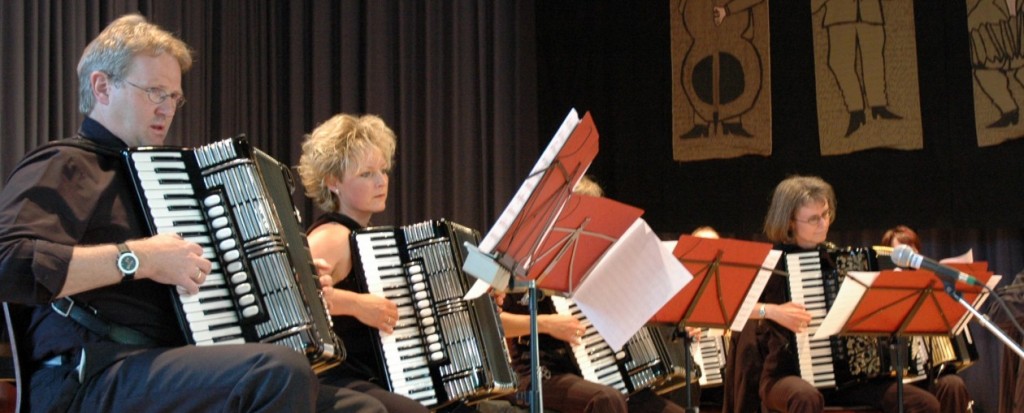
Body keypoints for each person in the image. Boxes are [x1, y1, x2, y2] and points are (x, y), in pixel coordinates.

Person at [0, 14, 386, 413]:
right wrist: (139, 258)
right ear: (102, 87)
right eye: (155, 93)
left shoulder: (172, 180)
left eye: (174, 97)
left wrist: (295, 287)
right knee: (276, 372)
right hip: (90, 375)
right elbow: (7, 263)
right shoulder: (65, 164)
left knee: (360, 409)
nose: (167, 109)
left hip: (168, 366)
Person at [724, 175, 939, 413]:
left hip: (846, 379)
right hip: (783, 376)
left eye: (825, 214)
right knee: (806, 398)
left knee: (924, 404)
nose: (823, 224)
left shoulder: (839, 259)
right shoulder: (772, 263)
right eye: (813, 218)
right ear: (790, 222)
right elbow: (728, 307)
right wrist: (772, 311)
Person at [496, 176, 687, 413]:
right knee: (606, 400)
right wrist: (545, 323)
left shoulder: (600, 264)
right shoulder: (523, 257)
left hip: (597, 370)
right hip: (540, 374)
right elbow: (492, 323)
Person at [298, 113, 430, 413]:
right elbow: (293, 297)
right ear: (333, 182)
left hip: (371, 377)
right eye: (367, 174)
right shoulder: (332, 236)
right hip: (335, 378)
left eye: (383, 170)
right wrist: (356, 304)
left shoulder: (364, 237)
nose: (381, 181)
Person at [881, 225, 973, 413]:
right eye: (901, 253)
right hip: (898, 378)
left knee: (953, 384)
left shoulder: (934, 284)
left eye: (912, 251)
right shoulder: (882, 289)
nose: (908, 259)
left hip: (930, 373)